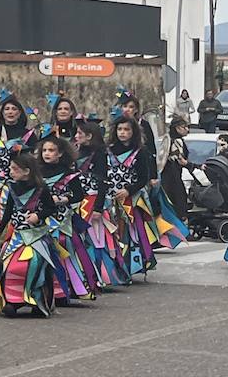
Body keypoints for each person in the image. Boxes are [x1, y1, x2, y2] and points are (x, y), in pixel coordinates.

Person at [0, 151, 63, 318]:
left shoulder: (41, 189)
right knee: (10, 266)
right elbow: (8, 212)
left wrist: (39, 215)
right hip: (16, 237)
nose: (11, 171)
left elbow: (51, 208)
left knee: (34, 265)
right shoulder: (12, 188)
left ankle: (38, 302)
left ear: (26, 171)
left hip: (36, 236)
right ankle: (13, 301)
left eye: (15, 169)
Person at [37, 135, 95, 305]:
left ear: (60, 153)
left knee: (64, 253)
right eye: (44, 150)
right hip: (41, 220)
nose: (47, 154)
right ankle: (43, 289)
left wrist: (62, 200)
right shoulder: (36, 172)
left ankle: (64, 289)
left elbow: (78, 195)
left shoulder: (70, 174)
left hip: (62, 221)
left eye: (51, 150)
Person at [73, 119, 128, 289]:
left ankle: (99, 274)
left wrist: (98, 207)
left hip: (92, 201)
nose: (76, 136)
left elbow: (103, 181)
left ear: (89, 136)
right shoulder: (76, 151)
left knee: (96, 239)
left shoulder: (100, 154)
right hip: (78, 201)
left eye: (80, 134)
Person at [106, 115, 157, 280]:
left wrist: (128, 190)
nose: (122, 133)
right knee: (113, 233)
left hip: (131, 199)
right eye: (120, 129)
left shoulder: (140, 152)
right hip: (111, 198)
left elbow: (143, 178)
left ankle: (130, 265)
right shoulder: (108, 149)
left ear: (133, 132)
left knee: (129, 234)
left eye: (126, 129)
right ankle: (114, 267)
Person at [0, 93, 38, 237]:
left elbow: (34, 162)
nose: (10, 112)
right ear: (2, 113)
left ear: (19, 113)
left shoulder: (29, 135)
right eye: (7, 109)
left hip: (20, 185)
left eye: (14, 109)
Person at [162, 116, 194, 221]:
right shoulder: (177, 142)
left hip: (167, 178)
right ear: (177, 128)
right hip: (173, 178)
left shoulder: (167, 140)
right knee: (178, 203)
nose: (187, 130)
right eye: (184, 127)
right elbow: (181, 160)